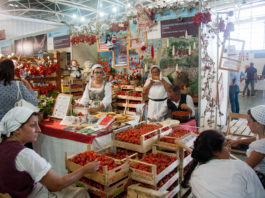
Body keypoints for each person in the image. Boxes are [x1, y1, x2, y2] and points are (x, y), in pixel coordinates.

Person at [0, 107, 100, 198]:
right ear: (17, 129)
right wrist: (84, 170)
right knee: (82, 193)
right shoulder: (25, 154)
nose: (38, 130)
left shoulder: (3, 146)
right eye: (33, 125)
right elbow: (57, 185)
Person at [182, 130, 265, 198]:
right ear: (216, 152)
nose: (229, 148)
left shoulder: (196, 174)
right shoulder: (240, 166)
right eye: (225, 145)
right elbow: (259, 194)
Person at [229, 105, 265, 187]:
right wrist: (239, 141)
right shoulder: (261, 134)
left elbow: (246, 168)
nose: (247, 124)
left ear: (258, 124)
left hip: (260, 179)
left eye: (249, 122)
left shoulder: (261, 146)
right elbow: (255, 138)